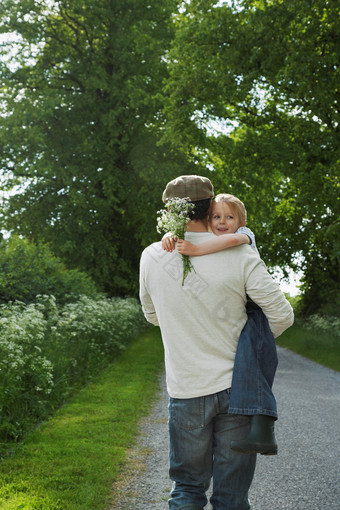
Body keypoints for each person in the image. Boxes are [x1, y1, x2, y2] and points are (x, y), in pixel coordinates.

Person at [139, 175, 294, 510]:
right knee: (232, 498)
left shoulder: (151, 256)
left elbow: (153, 316)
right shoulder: (240, 252)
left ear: (171, 210)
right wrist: (249, 343)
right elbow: (282, 316)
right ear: (211, 207)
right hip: (238, 390)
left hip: (186, 390)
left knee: (187, 490)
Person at [162, 193, 279, 455]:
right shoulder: (215, 239)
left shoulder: (244, 236)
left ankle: (265, 427)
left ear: (242, 221)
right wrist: (169, 236)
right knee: (251, 363)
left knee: (254, 360)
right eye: (216, 216)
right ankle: (262, 429)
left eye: (229, 217)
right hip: (242, 305)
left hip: (254, 309)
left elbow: (230, 239)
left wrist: (195, 249)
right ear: (207, 218)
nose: (222, 222)